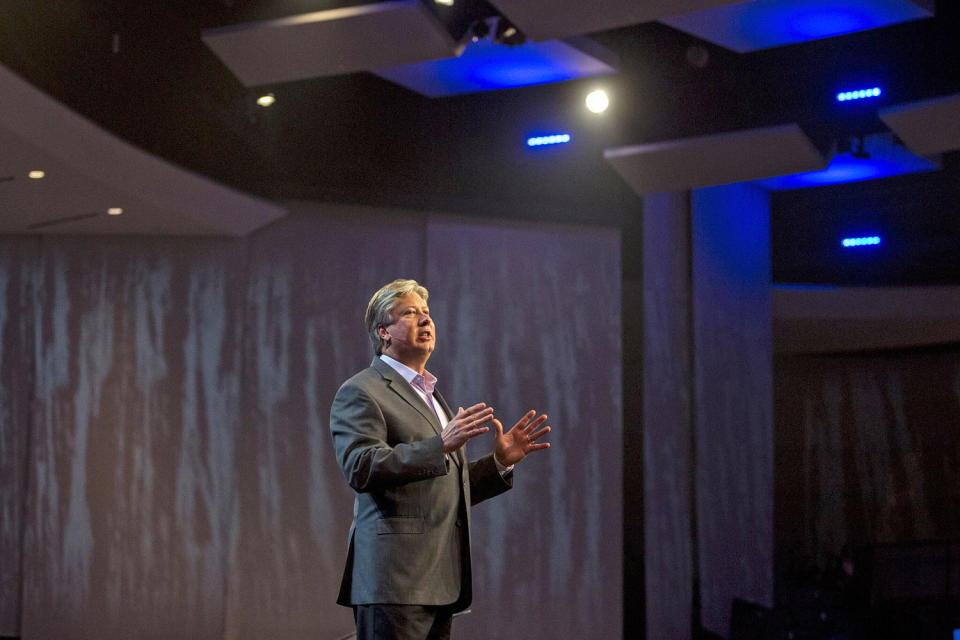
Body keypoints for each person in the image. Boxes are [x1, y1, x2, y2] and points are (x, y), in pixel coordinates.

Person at [329, 279, 551, 640]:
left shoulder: (432, 398)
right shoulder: (362, 390)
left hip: (439, 583)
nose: (425, 320)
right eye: (410, 313)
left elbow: (443, 486)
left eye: (427, 313)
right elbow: (360, 466)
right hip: (394, 582)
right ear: (383, 331)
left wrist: (497, 463)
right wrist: (439, 445)